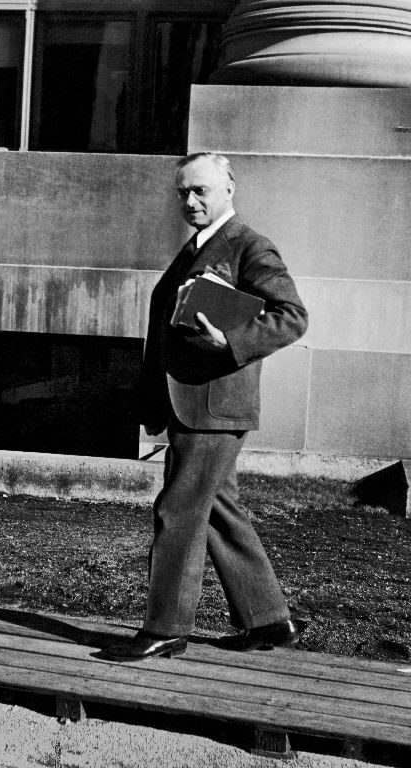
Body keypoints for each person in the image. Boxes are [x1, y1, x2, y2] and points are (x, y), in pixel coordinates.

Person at [105, 152, 308, 661]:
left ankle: (166, 628)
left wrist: (233, 341)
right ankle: (269, 620)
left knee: (178, 510)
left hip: (215, 405)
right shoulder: (195, 248)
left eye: (201, 191)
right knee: (218, 509)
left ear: (229, 189)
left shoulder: (248, 246)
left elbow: (292, 316)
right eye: (183, 193)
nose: (190, 201)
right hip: (192, 404)